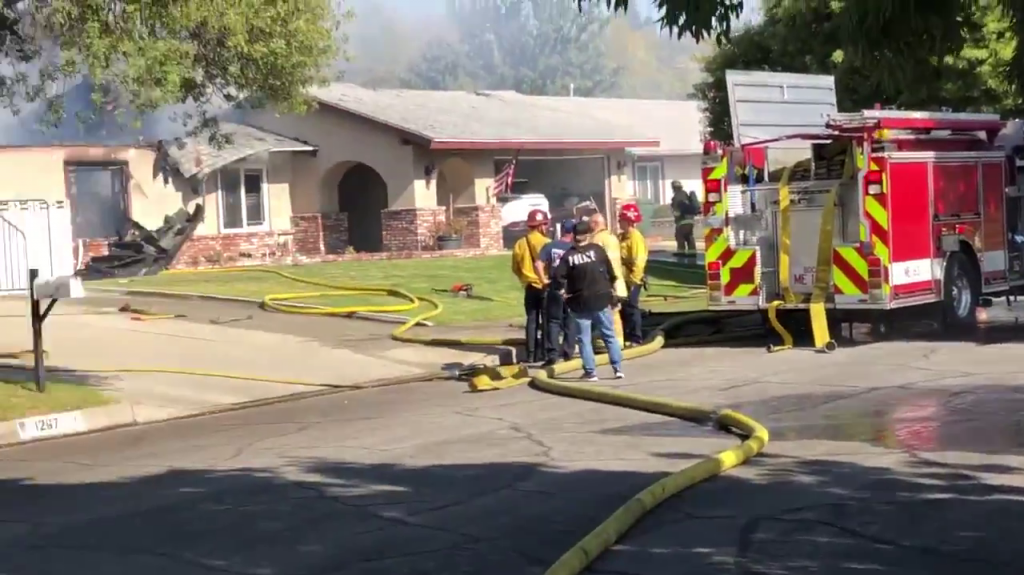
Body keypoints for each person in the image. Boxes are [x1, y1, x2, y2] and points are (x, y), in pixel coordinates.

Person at [551, 220, 624, 382]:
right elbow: (611, 273)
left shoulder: (569, 256)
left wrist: (562, 292)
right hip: (601, 299)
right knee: (609, 335)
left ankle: (591, 372)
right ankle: (617, 368)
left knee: (584, 339)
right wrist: (613, 292)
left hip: (579, 302)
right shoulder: (598, 250)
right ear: (589, 235)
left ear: (573, 236)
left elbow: (557, 277)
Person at [511, 209, 551, 363]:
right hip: (545, 285)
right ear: (541, 226)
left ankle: (530, 354)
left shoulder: (520, 243)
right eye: (545, 224)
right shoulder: (547, 243)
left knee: (532, 320)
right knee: (547, 320)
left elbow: (515, 267)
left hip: (529, 287)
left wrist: (525, 277)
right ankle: (547, 353)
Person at [536, 219, 577, 366]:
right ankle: (568, 352)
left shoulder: (550, 246)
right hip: (571, 286)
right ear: (573, 232)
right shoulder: (575, 247)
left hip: (554, 284)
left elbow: (538, 263)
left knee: (553, 321)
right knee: (570, 320)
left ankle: (552, 354)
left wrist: (543, 279)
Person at [587, 211, 626, 347]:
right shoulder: (612, 237)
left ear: (595, 224)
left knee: (602, 314)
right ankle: (618, 341)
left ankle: (602, 342)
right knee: (615, 313)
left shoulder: (596, 240)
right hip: (617, 283)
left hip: (603, 283)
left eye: (590, 224)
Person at [617, 203, 649, 346]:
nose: (619, 222)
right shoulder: (622, 237)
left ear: (629, 221)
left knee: (631, 307)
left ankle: (636, 338)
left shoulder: (635, 238)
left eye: (621, 220)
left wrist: (634, 281)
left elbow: (639, 261)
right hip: (623, 278)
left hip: (632, 279)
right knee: (624, 308)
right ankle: (627, 336)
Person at [671, 181, 697, 253]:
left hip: (682, 221)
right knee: (689, 236)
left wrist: (676, 215)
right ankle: (692, 252)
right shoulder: (685, 194)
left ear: (674, 188)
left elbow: (676, 210)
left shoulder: (676, 196)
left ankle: (680, 253)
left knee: (680, 237)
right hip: (690, 221)